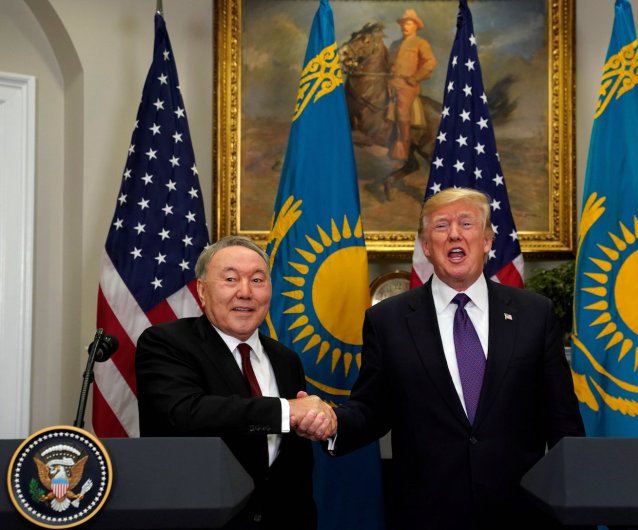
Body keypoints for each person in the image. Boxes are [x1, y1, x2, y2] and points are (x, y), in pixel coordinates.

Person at [314, 188, 586, 529]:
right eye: (441, 226)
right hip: (425, 513)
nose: (454, 233)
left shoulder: (534, 314)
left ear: (487, 241)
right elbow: (372, 409)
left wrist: (577, 509)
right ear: (426, 246)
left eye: (467, 223)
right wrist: (333, 423)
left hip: (521, 511)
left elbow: (563, 422)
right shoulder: (388, 320)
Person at [135, 235, 334, 530]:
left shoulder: (286, 359)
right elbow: (185, 413)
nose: (245, 292)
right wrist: (287, 412)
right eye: (231, 279)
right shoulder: (165, 343)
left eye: (257, 280)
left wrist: (320, 420)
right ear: (202, 291)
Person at [387, 8, 437, 162]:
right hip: (391, 82)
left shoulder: (421, 43)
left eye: (408, 24)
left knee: (402, 108)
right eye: (403, 24)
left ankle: (403, 144)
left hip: (407, 85)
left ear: (416, 26)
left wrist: (416, 78)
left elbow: (431, 62)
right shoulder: (395, 44)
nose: (404, 27)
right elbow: (389, 63)